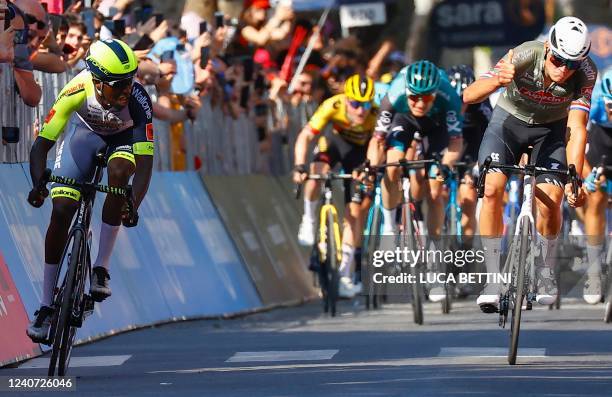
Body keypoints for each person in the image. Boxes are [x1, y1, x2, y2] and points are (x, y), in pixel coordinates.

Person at [26, 39, 154, 342]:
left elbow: (146, 163)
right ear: (97, 82)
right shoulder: (76, 89)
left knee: (120, 174)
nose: (127, 90)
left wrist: (132, 204)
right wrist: (38, 184)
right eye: (118, 84)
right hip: (83, 139)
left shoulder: (138, 100)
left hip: (122, 143)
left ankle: (101, 268)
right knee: (60, 212)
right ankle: (45, 306)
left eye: (130, 81)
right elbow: (41, 146)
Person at [463, 16, 595, 312]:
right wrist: (497, 79)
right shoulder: (526, 53)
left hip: (551, 132)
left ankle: (546, 269)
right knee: (493, 189)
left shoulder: (586, 73)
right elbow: (469, 95)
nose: (563, 70)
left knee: (551, 200)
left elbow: (577, 125)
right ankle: (494, 277)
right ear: (549, 48)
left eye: (571, 64)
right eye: (559, 60)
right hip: (507, 124)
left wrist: (575, 177)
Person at [367, 60, 463, 302]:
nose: (420, 103)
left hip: (436, 127)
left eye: (426, 98)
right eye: (415, 98)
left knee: (434, 189)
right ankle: (389, 228)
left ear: (435, 94)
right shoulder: (395, 94)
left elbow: (455, 143)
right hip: (404, 121)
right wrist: (370, 167)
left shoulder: (448, 95)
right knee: (391, 165)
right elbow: (377, 140)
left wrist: (444, 166)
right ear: (406, 91)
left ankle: (433, 263)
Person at [293, 74, 378, 298]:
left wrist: (369, 168)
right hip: (333, 145)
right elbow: (304, 136)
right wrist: (299, 166)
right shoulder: (333, 105)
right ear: (346, 99)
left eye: (366, 104)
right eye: (356, 104)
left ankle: (345, 274)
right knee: (315, 173)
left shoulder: (376, 114)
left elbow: (379, 146)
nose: (361, 110)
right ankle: (309, 219)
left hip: (360, 155)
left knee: (355, 212)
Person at [447, 64, 492, 243]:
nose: (460, 105)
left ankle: (465, 251)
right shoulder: (442, 102)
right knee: (436, 185)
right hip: (448, 141)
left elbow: (492, 134)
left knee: (468, 194)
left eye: (464, 100)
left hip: (473, 143)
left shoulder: (481, 104)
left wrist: (478, 165)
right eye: (455, 99)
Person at [581, 68, 612, 304]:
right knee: (596, 196)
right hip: (600, 146)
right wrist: (588, 175)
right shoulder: (595, 106)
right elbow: (577, 148)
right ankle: (593, 271)